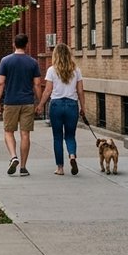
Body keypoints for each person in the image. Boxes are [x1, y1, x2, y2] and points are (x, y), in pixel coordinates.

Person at [0, 34, 41, 176]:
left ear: (14, 44)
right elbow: (37, 84)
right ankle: (23, 167)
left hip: (11, 102)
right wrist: (40, 102)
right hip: (27, 102)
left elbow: (1, 83)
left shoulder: (6, 61)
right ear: (27, 45)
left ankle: (14, 157)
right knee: (25, 134)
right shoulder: (33, 62)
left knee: (8, 131)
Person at [36, 42, 85, 175]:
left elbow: (47, 91)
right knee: (70, 135)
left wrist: (40, 105)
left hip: (56, 105)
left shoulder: (52, 70)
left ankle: (60, 168)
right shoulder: (76, 70)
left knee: (57, 137)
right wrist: (83, 107)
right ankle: (72, 155)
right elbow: (80, 91)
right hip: (72, 105)